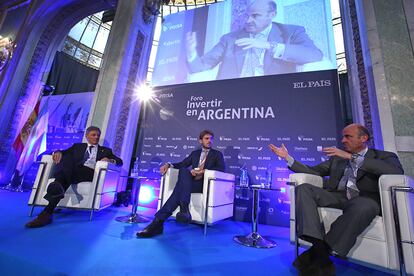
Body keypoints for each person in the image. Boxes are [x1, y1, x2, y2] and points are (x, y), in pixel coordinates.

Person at [269, 124, 404, 275]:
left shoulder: (383, 156)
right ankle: (320, 250)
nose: (343, 140)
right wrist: (287, 157)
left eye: (348, 136)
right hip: (337, 196)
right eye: (343, 137)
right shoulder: (337, 159)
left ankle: (319, 255)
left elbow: (396, 172)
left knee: (364, 206)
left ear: (363, 138)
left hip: (364, 199)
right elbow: (313, 171)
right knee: (304, 188)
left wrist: (353, 158)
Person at [186, 0, 323, 80]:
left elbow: (315, 55)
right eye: (247, 15)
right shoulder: (229, 39)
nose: (248, 20)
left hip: (275, 98)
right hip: (231, 99)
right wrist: (191, 53)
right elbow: (200, 66)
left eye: (255, 16)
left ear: (272, 15)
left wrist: (269, 45)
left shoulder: (291, 32)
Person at [25, 126, 123, 228]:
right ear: (87, 136)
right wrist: (57, 152)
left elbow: (120, 162)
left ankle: (48, 206)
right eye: (93, 135)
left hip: (89, 173)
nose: (96, 137)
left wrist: (110, 160)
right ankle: (50, 205)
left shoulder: (106, 151)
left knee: (65, 172)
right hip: (74, 172)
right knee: (67, 158)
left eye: (98, 135)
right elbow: (63, 152)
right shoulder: (77, 147)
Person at [137, 129, 225, 238]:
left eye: (211, 139)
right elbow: (182, 164)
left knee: (179, 190)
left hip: (203, 184)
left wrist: (203, 171)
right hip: (190, 184)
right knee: (183, 170)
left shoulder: (217, 154)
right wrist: (169, 165)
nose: (209, 141)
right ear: (200, 141)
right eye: (206, 138)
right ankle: (183, 210)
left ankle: (157, 223)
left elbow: (221, 168)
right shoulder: (195, 154)